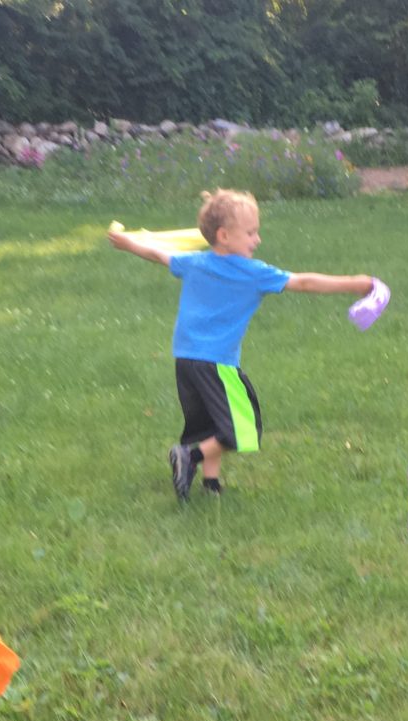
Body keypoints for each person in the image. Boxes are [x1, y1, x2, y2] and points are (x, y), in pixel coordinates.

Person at [108, 188, 375, 499]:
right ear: (223, 235)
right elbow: (304, 282)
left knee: (207, 424)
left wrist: (127, 243)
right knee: (241, 429)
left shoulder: (194, 262)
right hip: (217, 362)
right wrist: (357, 284)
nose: (257, 240)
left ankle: (211, 486)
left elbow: (157, 254)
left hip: (185, 359)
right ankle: (189, 456)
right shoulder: (253, 273)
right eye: (250, 233)